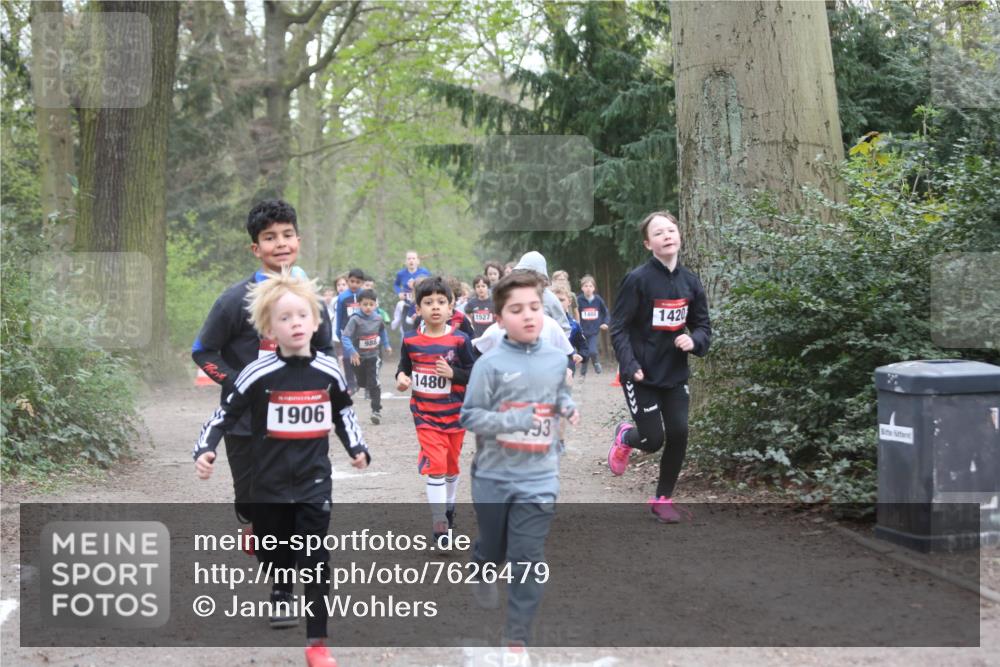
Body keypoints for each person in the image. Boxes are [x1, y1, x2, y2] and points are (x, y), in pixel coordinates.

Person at [193, 270, 370, 667]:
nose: (295, 324)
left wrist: (356, 447)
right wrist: (205, 450)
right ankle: (279, 580)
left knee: (316, 556)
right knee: (276, 550)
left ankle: (317, 643)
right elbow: (222, 415)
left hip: (314, 483)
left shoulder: (328, 371)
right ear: (268, 327)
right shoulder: (256, 374)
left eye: (302, 316)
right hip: (267, 485)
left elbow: (343, 413)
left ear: (316, 321)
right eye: (284, 318)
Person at [191, 199, 335, 536]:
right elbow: (203, 352)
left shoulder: (310, 299)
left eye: (288, 235)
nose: (281, 243)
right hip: (246, 425)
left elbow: (325, 348)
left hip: (299, 418)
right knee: (252, 505)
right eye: (270, 237)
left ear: (298, 241)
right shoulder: (234, 299)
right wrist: (239, 383)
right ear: (256, 248)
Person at [460, 271, 579, 655]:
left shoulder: (555, 357)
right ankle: (482, 563)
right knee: (495, 548)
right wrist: (511, 421)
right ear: (498, 318)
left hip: (540, 475)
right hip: (494, 476)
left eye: (535, 308)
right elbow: (469, 416)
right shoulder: (489, 365)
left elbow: (557, 392)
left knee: (527, 555)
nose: (529, 316)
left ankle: (516, 640)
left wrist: (568, 406)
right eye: (517, 310)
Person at [607, 211, 711, 523]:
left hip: (674, 373)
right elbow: (618, 327)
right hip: (641, 374)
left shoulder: (690, 282)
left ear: (679, 236)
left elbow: (703, 324)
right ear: (647, 243)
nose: (667, 235)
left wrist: (695, 342)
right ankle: (626, 436)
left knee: (679, 432)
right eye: (658, 232)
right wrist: (630, 364)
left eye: (671, 230)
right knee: (653, 441)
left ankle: (663, 499)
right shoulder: (638, 280)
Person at [395, 276, 475, 544]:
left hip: (455, 415)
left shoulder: (461, 341)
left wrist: (454, 373)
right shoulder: (410, 342)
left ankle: (449, 507)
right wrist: (402, 379)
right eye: (428, 303)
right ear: (418, 309)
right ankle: (439, 522)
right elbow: (403, 369)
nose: (435, 307)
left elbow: (473, 373)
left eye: (441, 302)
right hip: (425, 416)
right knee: (437, 467)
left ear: (451, 307)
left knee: (451, 467)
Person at [341, 288, 392, 424]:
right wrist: (352, 351)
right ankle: (359, 384)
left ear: (375, 305)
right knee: (363, 383)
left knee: (374, 383)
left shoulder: (378, 318)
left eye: (371, 304)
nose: (368, 307)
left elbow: (382, 332)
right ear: (359, 305)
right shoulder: (355, 319)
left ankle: (376, 410)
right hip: (358, 357)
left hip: (373, 356)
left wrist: (386, 345)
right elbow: (345, 336)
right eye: (365, 304)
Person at [513, 251, 571, 336]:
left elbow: (564, 328)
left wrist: (555, 347)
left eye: (528, 273)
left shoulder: (550, 299)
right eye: (523, 273)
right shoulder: (515, 295)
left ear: (539, 275)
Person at [334, 269, 366, 393]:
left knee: (361, 357)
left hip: (361, 332)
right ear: (348, 281)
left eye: (357, 282)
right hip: (346, 332)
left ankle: (360, 381)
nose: (354, 284)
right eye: (352, 281)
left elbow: (371, 311)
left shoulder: (364, 295)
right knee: (347, 358)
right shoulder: (342, 297)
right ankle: (351, 384)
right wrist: (338, 331)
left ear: (362, 283)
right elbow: (339, 315)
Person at [576, 274, 609, 376]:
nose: (588, 288)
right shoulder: (579, 300)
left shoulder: (598, 300)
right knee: (584, 352)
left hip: (594, 331)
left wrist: (605, 322)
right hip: (582, 331)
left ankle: (596, 362)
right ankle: (584, 369)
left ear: (594, 288)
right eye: (586, 286)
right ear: (582, 288)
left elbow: (605, 312)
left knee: (593, 351)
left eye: (590, 286)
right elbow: (575, 313)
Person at [553, 286, 586, 373]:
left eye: (561, 300)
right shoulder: (543, 323)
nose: (558, 303)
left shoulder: (574, 325)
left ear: (569, 302)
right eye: (555, 300)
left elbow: (583, 345)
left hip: (568, 366)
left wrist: (581, 355)